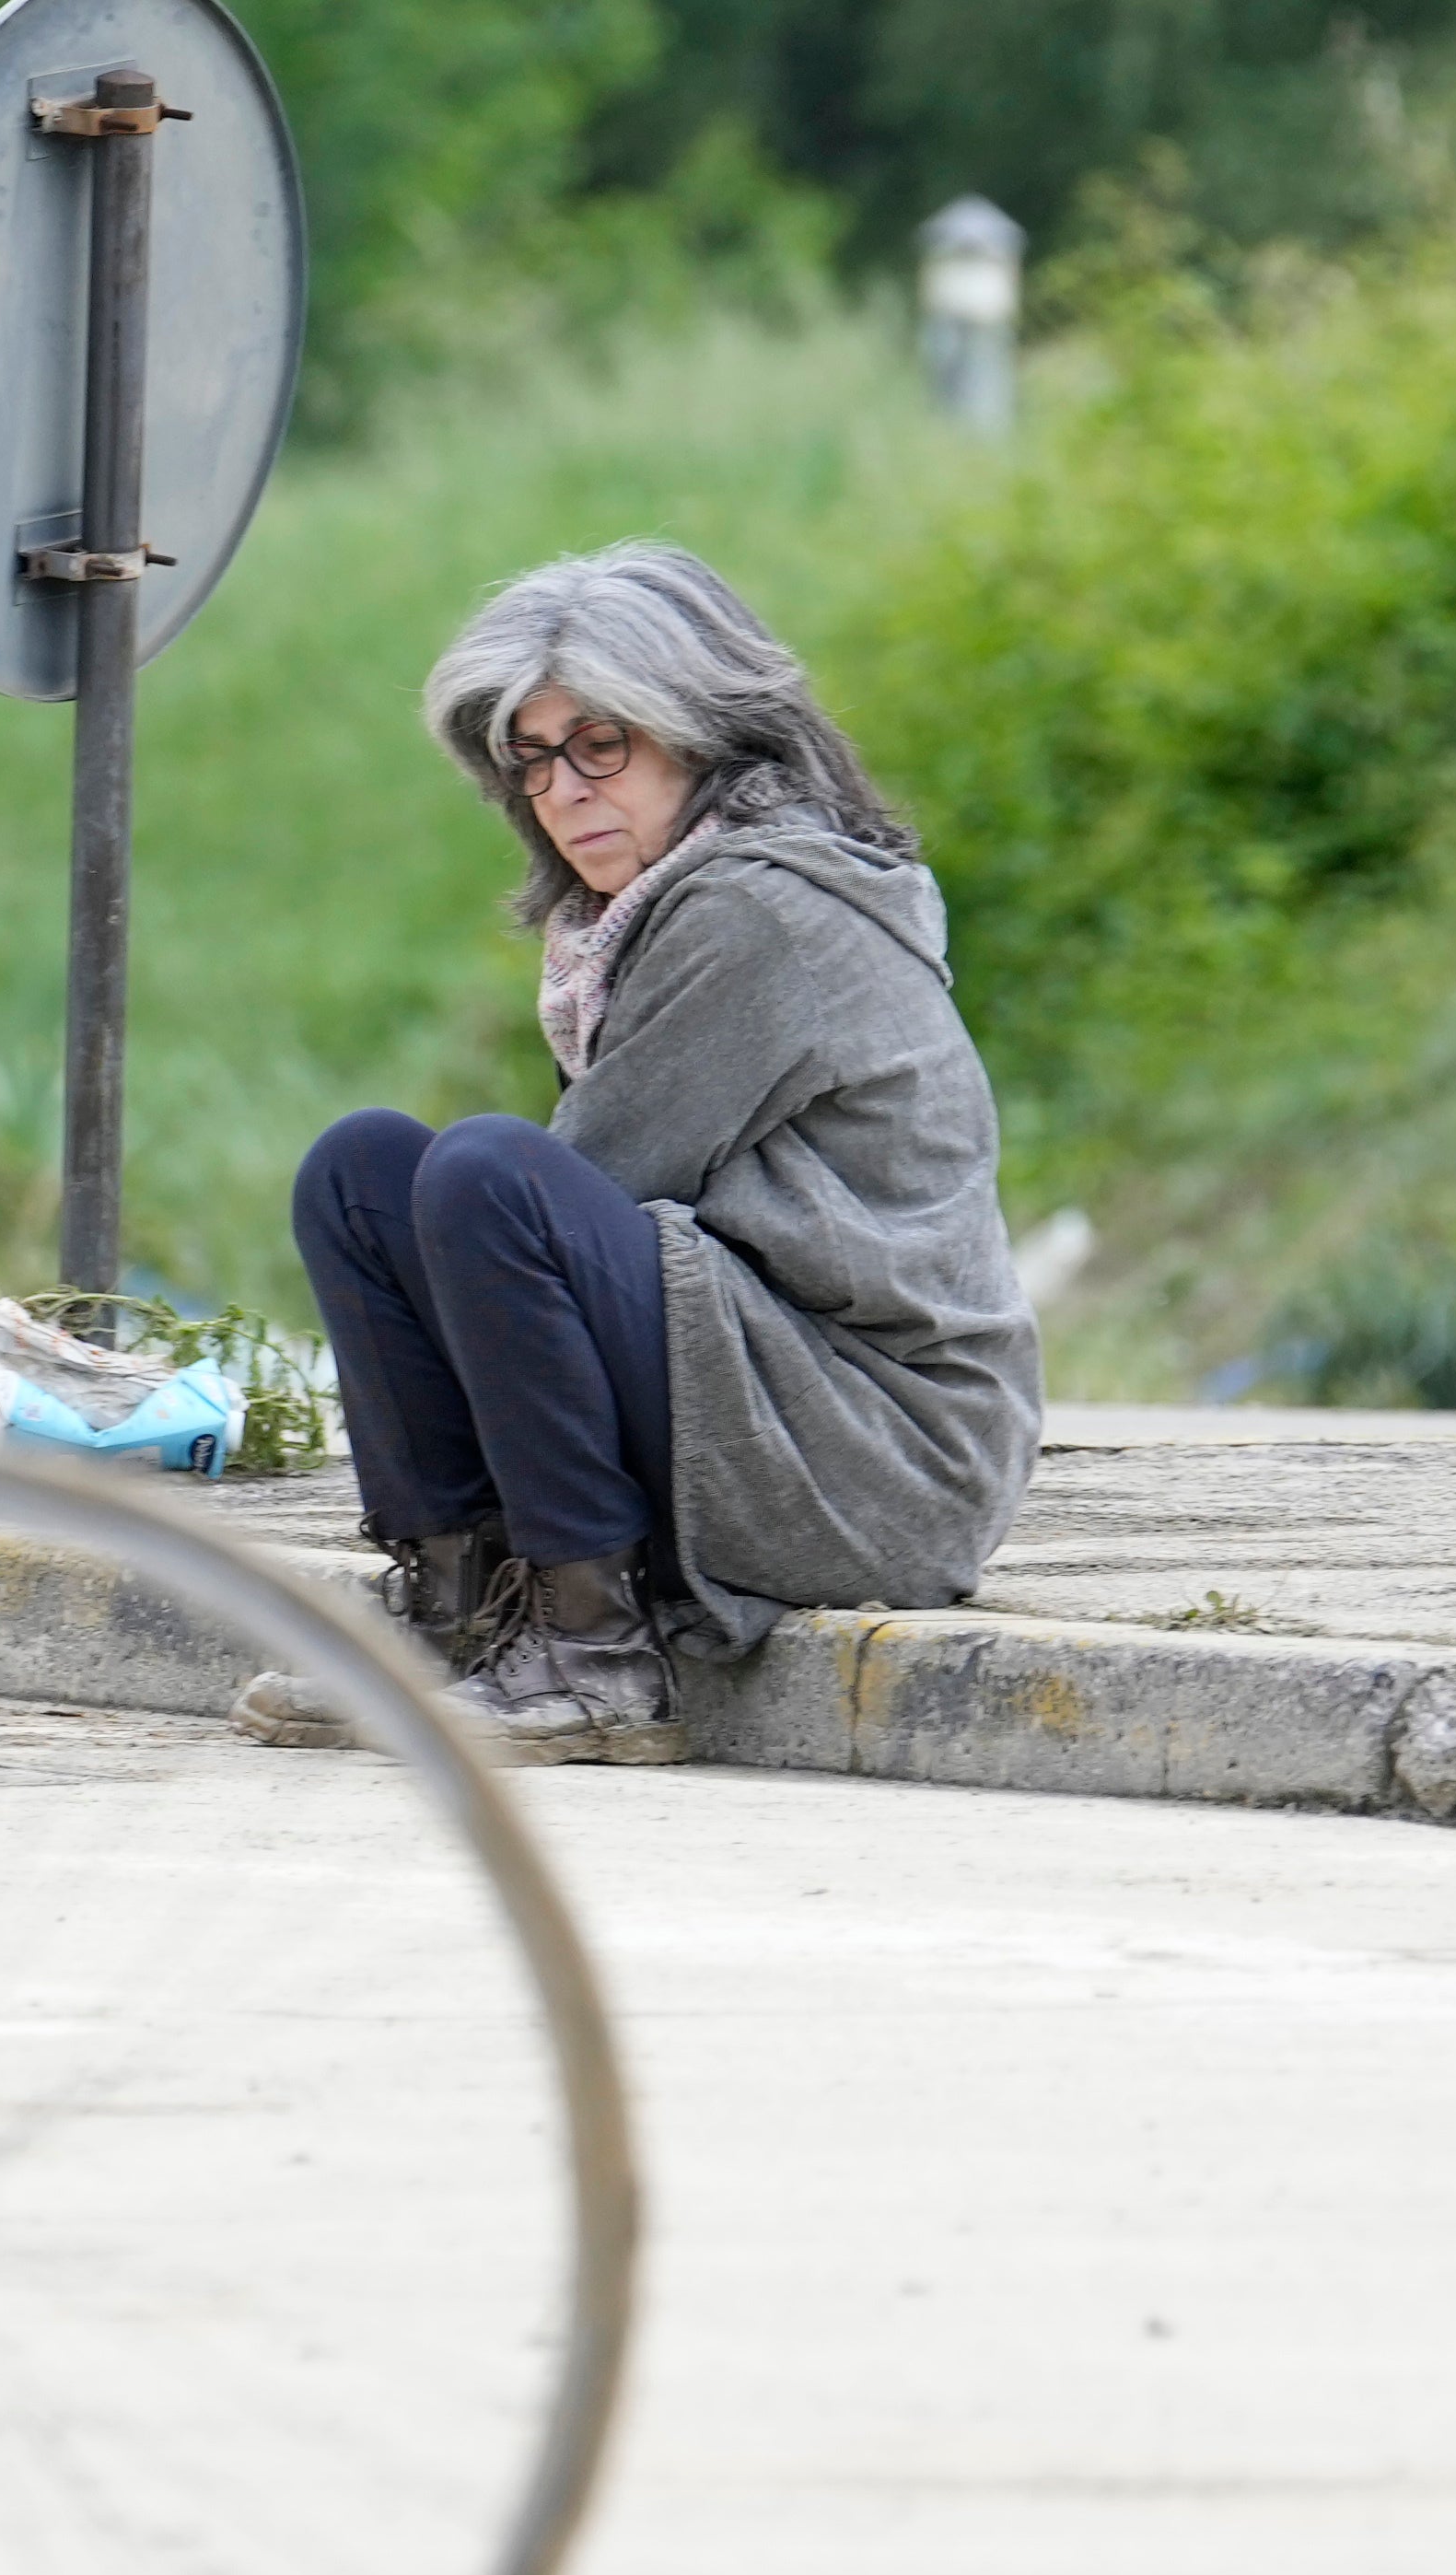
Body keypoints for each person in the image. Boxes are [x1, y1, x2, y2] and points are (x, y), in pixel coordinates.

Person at [235, 542, 1039, 1765]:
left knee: (485, 1176)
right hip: (756, 1399)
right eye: (534, 757)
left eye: (601, 743)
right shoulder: (633, 917)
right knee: (361, 1171)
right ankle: (460, 1607)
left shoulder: (755, 909)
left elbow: (585, 1187)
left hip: (877, 1460)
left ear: (706, 735)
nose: (563, 790)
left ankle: (590, 1656)